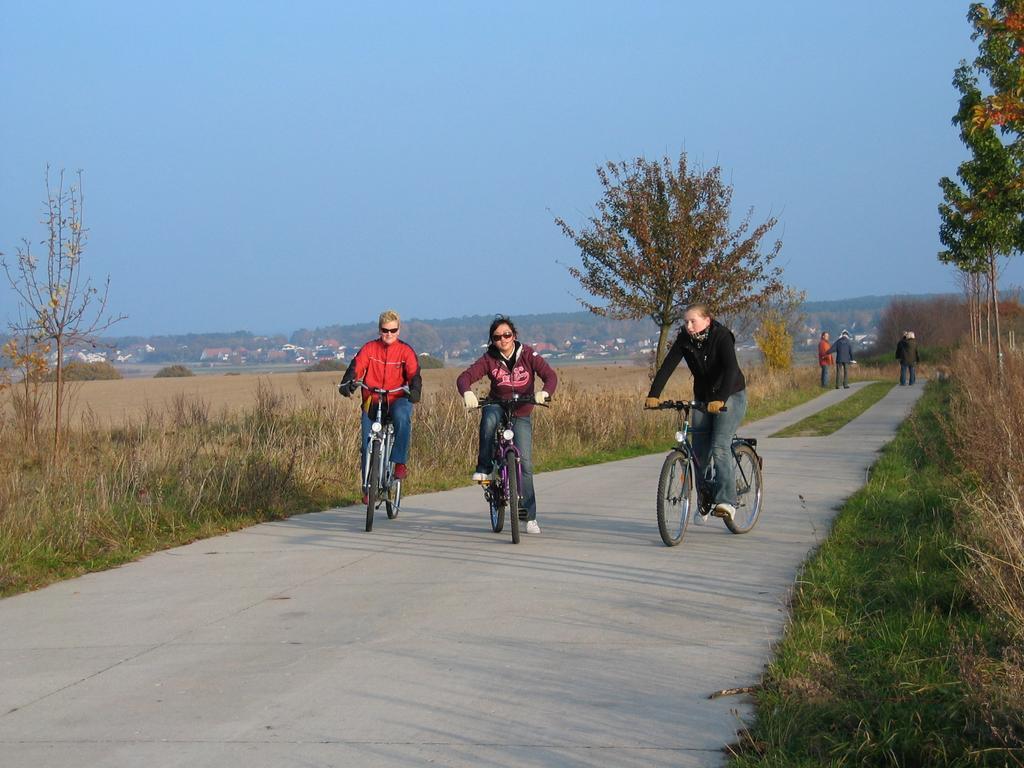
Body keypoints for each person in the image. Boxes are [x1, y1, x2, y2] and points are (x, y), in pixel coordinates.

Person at [644, 303, 747, 526]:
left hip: (731, 395)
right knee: (699, 452)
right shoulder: (685, 339)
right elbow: (667, 366)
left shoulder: (721, 336)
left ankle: (727, 501)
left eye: (693, 321)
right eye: (686, 322)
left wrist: (720, 398)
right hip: (703, 399)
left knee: (719, 446)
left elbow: (731, 369)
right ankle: (704, 500)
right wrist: (653, 395)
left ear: (707, 320)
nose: (688, 326)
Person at [456, 315, 558, 535]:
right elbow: (464, 377)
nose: (503, 340)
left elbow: (550, 376)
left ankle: (529, 516)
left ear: (515, 336)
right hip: (497, 404)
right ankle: (484, 469)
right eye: (497, 337)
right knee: (489, 419)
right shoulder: (489, 359)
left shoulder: (529, 354)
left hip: (521, 409)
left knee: (527, 465)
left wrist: (544, 392)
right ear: (492, 340)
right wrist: (466, 392)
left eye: (507, 335)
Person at [339, 309, 422, 502]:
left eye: (393, 330)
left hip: (397, 398)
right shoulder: (369, 349)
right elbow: (356, 366)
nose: (389, 334)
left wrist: (415, 390)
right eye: (385, 330)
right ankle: (368, 487)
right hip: (373, 399)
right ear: (379, 330)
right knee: (367, 443)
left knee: (402, 418)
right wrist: (348, 383)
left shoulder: (405, 351)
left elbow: (414, 374)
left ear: (399, 330)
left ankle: (399, 462)